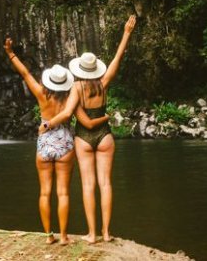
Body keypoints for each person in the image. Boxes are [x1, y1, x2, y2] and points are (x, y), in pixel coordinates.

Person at [4, 38, 110, 245]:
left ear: (49, 80)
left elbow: (25, 73)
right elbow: (79, 114)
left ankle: (48, 235)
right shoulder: (72, 93)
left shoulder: (40, 93)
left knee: (44, 192)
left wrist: (11, 54)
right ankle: (63, 236)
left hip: (44, 143)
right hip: (65, 145)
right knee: (63, 193)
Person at [43, 15, 137, 244]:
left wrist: (48, 124)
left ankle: (92, 234)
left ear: (79, 70)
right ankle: (107, 233)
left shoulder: (76, 87)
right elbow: (118, 58)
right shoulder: (104, 84)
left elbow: (67, 114)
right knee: (106, 183)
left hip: (84, 139)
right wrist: (126, 33)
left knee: (88, 185)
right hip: (105, 136)